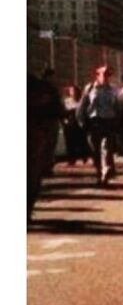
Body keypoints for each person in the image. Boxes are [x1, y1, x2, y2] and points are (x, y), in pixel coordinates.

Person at [27, 71, 65, 217]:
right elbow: (59, 111)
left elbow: (57, 110)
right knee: (32, 174)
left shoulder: (41, 87)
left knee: (32, 174)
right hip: (37, 135)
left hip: (35, 135)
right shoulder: (43, 87)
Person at [77, 65, 120, 187]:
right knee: (95, 151)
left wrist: (118, 122)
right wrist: (81, 121)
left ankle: (105, 172)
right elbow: (82, 105)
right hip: (94, 123)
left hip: (108, 121)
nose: (106, 77)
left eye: (108, 75)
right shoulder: (90, 88)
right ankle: (99, 174)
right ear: (97, 75)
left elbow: (117, 107)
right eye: (103, 74)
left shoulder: (113, 90)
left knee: (106, 147)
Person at [62, 84, 90, 165]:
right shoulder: (66, 101)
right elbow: (63, 112)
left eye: (74, 91)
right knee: (70, 142)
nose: (73, 93)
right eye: (71, 91)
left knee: (82, 141)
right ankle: (71, 159)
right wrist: (64, 121)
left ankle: (84, 158)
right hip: (70, 124)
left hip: (80, 123)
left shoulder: (82, 101)